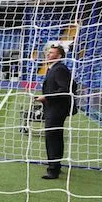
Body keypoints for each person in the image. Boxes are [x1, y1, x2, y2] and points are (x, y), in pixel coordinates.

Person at [36, 44, 73, 179]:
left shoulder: (59, 69)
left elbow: (65, 89)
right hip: (53, 108)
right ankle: (56, 165)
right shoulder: (53, 69)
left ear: (59, 56)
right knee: (55, 137)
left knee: (52, 138)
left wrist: (46, 97)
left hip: (57, 109)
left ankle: (53, 169)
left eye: (51, 53)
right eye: (48, 52)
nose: (48, 54)